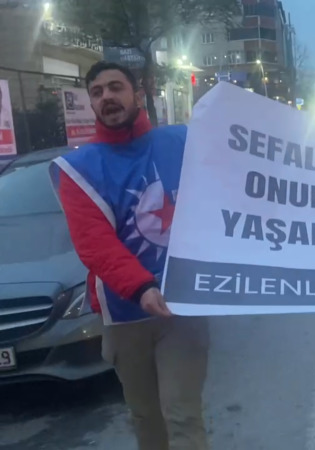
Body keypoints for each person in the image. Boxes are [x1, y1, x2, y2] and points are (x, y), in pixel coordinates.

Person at [49, 61, 210, 450]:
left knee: (183, 414)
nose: (107, 97)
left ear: (138, 94)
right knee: (146, 417)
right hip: (124, 314)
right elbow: (94, 243)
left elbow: (231, 177)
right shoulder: (78, 169)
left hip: (181, 307)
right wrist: (141, 287)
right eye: (97, 92)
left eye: (115, 87)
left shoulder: (181, 141)